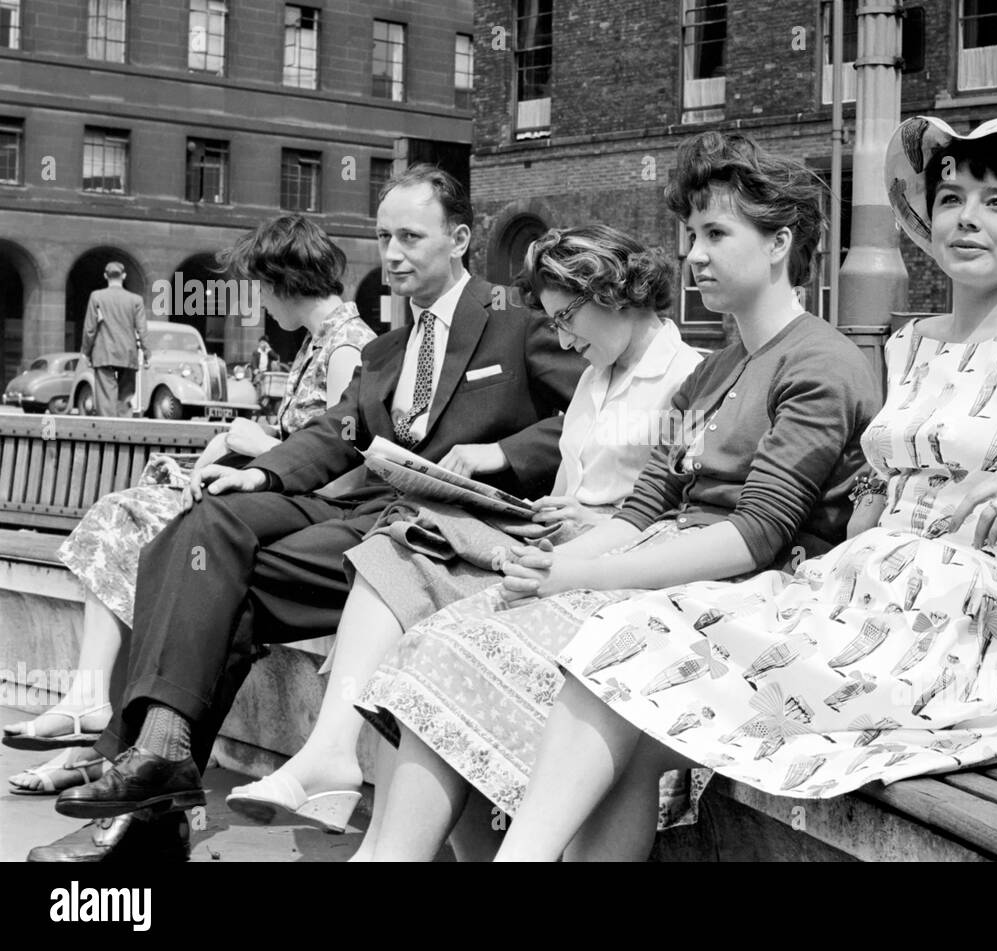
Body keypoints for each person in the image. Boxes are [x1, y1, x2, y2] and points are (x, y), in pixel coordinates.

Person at [495, 116, 997, 862]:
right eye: (951, 198)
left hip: (948, 626)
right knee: (620, 681)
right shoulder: (910, 343)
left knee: (635, 654)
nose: (966, 219)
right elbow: (881, 487)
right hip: (857, 594)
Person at [346, 130, 877, 862]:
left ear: (781, 241)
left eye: (715, 233)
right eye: (691, 235)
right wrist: (541, 572)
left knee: (512, 656)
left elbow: (754, 536)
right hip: (668, 585)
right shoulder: (714, 373)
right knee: (449, 634)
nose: (693, 254)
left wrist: (573, 573)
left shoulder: (821, 362)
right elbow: (639, 511)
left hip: (746, 605)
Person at [32, 164, 584, 861]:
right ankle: (159, 759)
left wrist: (497, 454)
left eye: (412, 236)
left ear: (461, 239)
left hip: (440, 539)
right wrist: (261, 471)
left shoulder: (516, 329)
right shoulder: (386, 350)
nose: (393, 253)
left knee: (208, 584)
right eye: (384, 237)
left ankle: (151, 805)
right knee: (203, 528)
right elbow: (335, 431)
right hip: (358, 525)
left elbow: (587, 414)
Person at [223, 224, 702, 835]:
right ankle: (334, 758)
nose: (560, 336)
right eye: (553, 321)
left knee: (418, 604)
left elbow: (688, 513)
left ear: (614, 294)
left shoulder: (687, 377)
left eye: (567, 318)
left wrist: (599, 519)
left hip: (602, 572)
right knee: (400, 544)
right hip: (543, 544)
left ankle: (360, 810)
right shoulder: (593, 375)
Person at [5, 216, 375, 798]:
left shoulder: (349, 348)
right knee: (131, 533)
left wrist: (258, 448)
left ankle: (96, 729)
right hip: (268, 513)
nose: (257, 303)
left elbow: (347, 467)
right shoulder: (322, 343)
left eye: (258, 287)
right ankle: (97, 733)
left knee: (127, 526)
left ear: (281, 281)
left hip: (291, 525)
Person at [80, 261, 149, 417]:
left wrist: (86, 352)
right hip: (128, 352)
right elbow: (142, 330)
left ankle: (107, 430)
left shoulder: (96, 297)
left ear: (105, 276)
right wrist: (147, 353)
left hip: (103, 352)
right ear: (124, 276)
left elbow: (90, 328)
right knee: (125, 396)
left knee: (105, 396)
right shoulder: (136, 300)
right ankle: (123, 428)